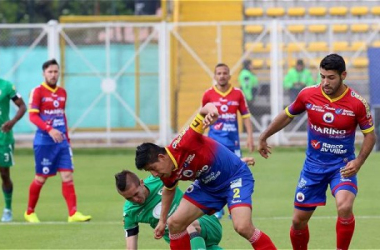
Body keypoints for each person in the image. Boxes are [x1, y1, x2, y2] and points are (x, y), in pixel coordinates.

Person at [258, 54, 376, 250]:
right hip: (313, 167)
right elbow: (288, 115)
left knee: (345, 207)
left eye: (331, 77)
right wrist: (264, 136)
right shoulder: (308, 94)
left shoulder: (357, 103)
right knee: (298, 222)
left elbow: (370, 136)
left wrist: (359, 162)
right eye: (322, 76)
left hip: (342, 165)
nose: (325, 82)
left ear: (343, 75)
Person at [135, 102, 277, 250]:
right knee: (174, 223)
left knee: (242, 227)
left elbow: (205, 109)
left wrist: (213, 112)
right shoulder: (166, 171)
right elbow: (168, 190)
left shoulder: (184, 142)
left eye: (153, 168)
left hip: (235, 177)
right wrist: (162, 220)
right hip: (208, 186)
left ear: (161, 157)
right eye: (149, 171)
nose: (154, 174)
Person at [24, 59, 91, 223]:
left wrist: (67, 139)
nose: (53, 75)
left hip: (61, 143)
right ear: (44, 73)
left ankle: (73, 213)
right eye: (50, 72)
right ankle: (30, 211)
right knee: (41, 178)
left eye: (56, 72)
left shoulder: (62, 92)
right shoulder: (38, 91)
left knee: (68, 175)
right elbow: (32, 116)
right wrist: (49, 129)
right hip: (44, 142)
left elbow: (61, 115)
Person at [115, 170, 223, 250]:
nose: (135, 200)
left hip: (206, 222)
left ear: (141, 182)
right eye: (129, 198)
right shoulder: (130, 212)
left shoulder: (159, 179)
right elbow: (131, 247)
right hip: (182, 244)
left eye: (136, 194)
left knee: (183, 223)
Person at [202, 63, 254, 219]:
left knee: (236, 175)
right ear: (214, 76)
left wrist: (250, 136)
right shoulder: (208, 94)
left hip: (233, 143)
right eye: (219, 73)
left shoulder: (238, 94)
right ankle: (217, 208)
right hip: (214, 143)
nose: (222, 76)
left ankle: (236, 207)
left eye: (225, 73)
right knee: (213, 175)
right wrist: (200, 139)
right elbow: (203, 118)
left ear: (229, 76)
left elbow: (245, 116)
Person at [0, 79, 26, 222]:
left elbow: (22, 106)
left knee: (4, 174)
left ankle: (7, 209)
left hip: (3, 136)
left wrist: (12, 121)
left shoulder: (7, 86)